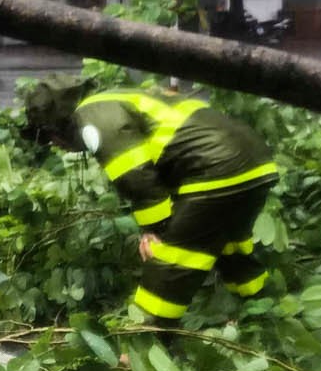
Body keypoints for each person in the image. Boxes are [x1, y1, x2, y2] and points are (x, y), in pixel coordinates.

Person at [25, 76, 278, 325]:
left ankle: (145, 344)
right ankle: (259, 311)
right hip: (255, 162)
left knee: (171, 261)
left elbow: (135, 174)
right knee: (229, 243)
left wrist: (155, 230)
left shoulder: (93, 118)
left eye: (49, 138)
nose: (55, 146)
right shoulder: (115, 98)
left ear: (56, 125)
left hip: (216, 168)